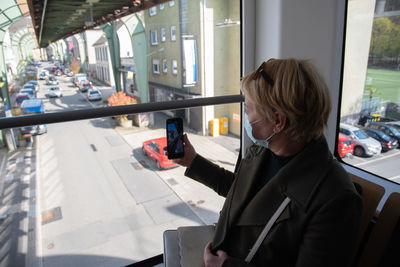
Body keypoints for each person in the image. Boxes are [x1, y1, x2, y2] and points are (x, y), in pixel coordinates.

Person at [172, 58, 363, 267]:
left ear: (278, 122)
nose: (246, 117)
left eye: (248, 111)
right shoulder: (263, 149)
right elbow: (241, 194)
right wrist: (193, 162)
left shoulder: (336, 200)